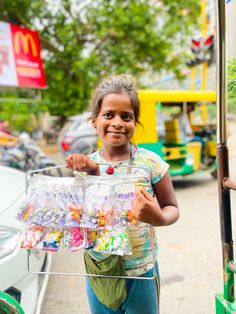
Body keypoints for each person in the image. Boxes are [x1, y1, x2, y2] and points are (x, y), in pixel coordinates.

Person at [66, 74, 179, 314]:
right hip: (100, 269)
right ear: (94, 120)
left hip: (141, 271)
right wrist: (92, 174)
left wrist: (159, 217)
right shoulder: (86, 165)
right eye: (109, 115)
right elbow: (81, 216)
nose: (117, 122)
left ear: (135, 122)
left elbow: (172, 207)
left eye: (126, 116)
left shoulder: (151, 163)